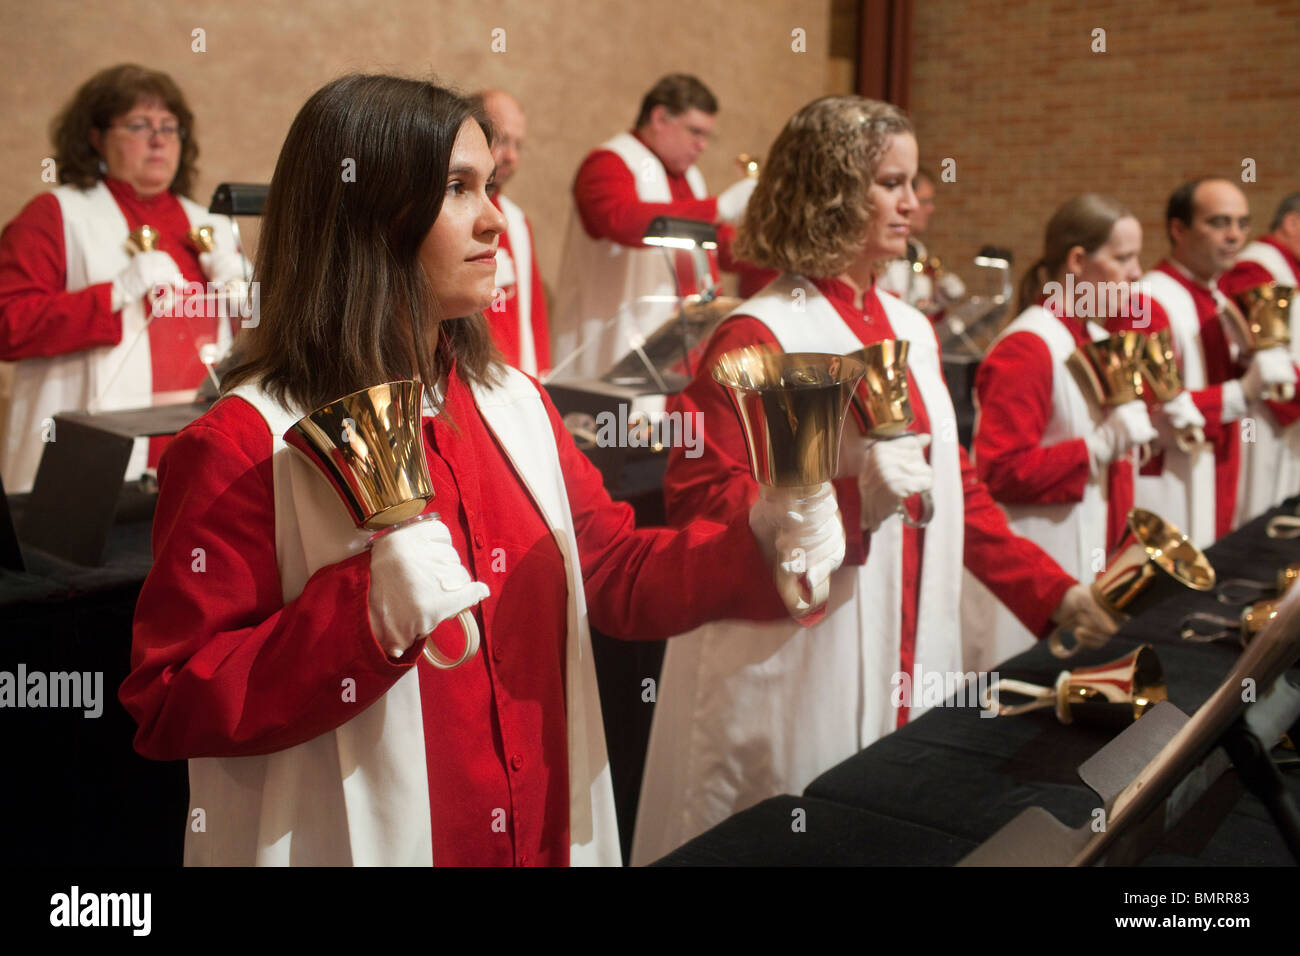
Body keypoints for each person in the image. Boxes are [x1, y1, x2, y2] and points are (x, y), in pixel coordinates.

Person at [118, 74, 843, 868]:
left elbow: (615, 572)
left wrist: (761, 537)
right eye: (459, 188)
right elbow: (170, 700)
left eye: (490, 185)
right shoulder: (246, 439)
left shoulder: (513, 402)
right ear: (367, 215)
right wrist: (362, 618)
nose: (496, 218)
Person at [631, 96, 1117, 865]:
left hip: (909, 646)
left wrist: (1050, 592)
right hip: (793, 662)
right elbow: (702, 508)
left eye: (914, 182)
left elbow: (954, 490)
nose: (913, 202)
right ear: (830, 188)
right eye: (890, 183)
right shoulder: (762, 331)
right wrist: (852, 505)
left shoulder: (909, 326)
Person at [0, 63, 246, 492]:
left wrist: (254, 299)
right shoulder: (56, 215)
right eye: (139, 125)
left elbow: (253, 348)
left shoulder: (215, 226)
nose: (158, 140)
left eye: (170, 127)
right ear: (95, 137)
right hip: (85, 462)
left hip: (196, 455)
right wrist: (113, 295)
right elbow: (8, 326)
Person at [966, 195, 1160, 668]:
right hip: (1038, 567)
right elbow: (997, 473)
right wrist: (1100, 445)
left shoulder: (1088, 336)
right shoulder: (1029, 346)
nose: (1137, 272)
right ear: (1078, 261)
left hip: (1084, 551)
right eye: (1123, 257)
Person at [550, 73, 757, 379]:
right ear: (660, 118)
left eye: (706, 136)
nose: (702, 145)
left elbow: (721, 249)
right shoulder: (608, 162)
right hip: (611, 344)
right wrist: (720, 207)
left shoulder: (690, 177)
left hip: (673, 351)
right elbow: (621, 220)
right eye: (695, 131)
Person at [1137, 179, 1295, 546]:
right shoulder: (1149, 300)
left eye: (1242, 224)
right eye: (1219, 223)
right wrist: (1242, 390)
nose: (1234, 236)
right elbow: (1151, 413)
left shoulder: (1220, 298)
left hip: (1220, 475)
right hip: (1173, 486)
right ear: (1179, 229)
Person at [1219, 192, 1300, 522]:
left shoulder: (1288, 268)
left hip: (1287, 415)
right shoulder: (1257, 267)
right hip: (1263, 417)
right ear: (1293, 223)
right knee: (1262, 518)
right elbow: (1259, 355)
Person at [474, 89, 550, 377]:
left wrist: (541, 375)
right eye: (502, 141)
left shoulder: (516, 219)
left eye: (519, 145)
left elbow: (534, 314)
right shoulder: (447, 213)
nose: (511, 157)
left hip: (515, 377)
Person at [877, 167, 966, 319]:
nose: (931, 208)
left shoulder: (916, 249)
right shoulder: (880, 248)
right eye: (925, 201)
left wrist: (937, 299)